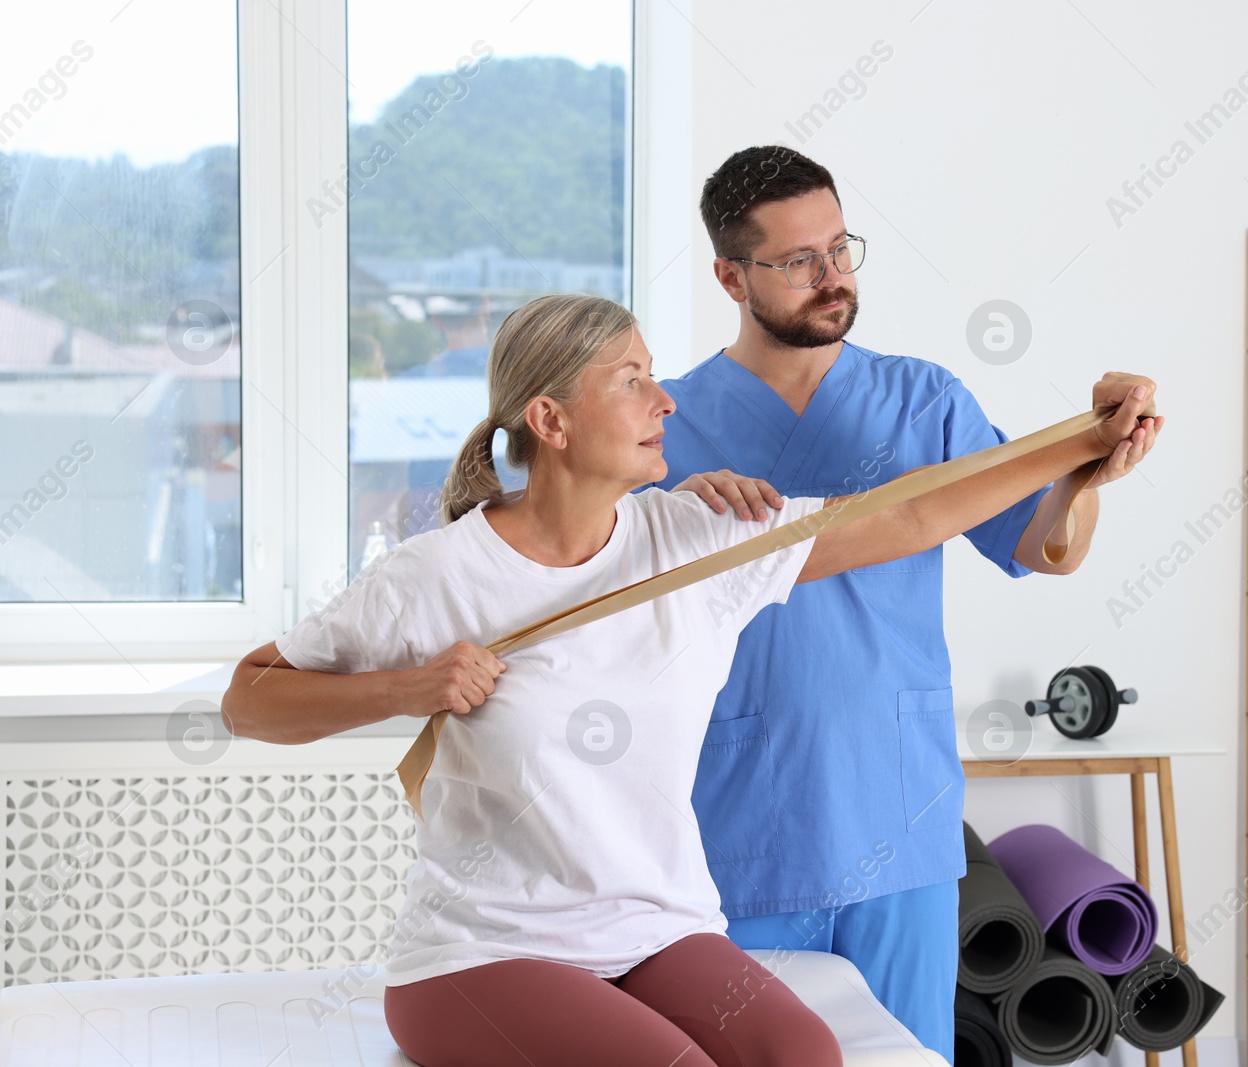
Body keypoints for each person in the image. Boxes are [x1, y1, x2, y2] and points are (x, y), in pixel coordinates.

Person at [219, 292, 1154, 1067]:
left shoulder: (695, 543)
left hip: (656, 929)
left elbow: (907, 520)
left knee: (805, 1055)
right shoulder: (437, 577)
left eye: (655, 374)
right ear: (549, 420)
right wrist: (408, 689)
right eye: (630, 382)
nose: (663, 401)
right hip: (483, 950)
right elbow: (249, 698)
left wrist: (1080, 444)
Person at [646, 145, 1162, 1061]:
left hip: (898, 817)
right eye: (798, 261)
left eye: (841, 248)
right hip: (738, 828)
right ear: (731, 275)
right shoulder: (671, 427)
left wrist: (1089, 473)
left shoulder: (922, 400)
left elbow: (1044, 546)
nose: (832, 277)